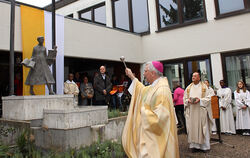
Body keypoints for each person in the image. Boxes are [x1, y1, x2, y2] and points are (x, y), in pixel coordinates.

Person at [122, 61, 179, 158]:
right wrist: (132, 77)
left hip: (157, 139)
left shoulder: (162, 89)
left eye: (145, 71)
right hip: (150, 137)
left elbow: (160, 118)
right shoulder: (154, 86)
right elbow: (141, 90)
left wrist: (143, 110)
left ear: (153, 73)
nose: (143, 74)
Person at [184, 72, 213, 152]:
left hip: (201, 111)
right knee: (192, 128)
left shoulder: (204, 87)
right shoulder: (188, 88)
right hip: (192, 112)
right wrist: (188, 100)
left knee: (202, 128)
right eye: (192, 76)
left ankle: (204, 147)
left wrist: (200, 100)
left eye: (195, 76)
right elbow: (184, 98)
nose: (193, 77)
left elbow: (209, 98)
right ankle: (194, 146)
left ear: (199, 78)